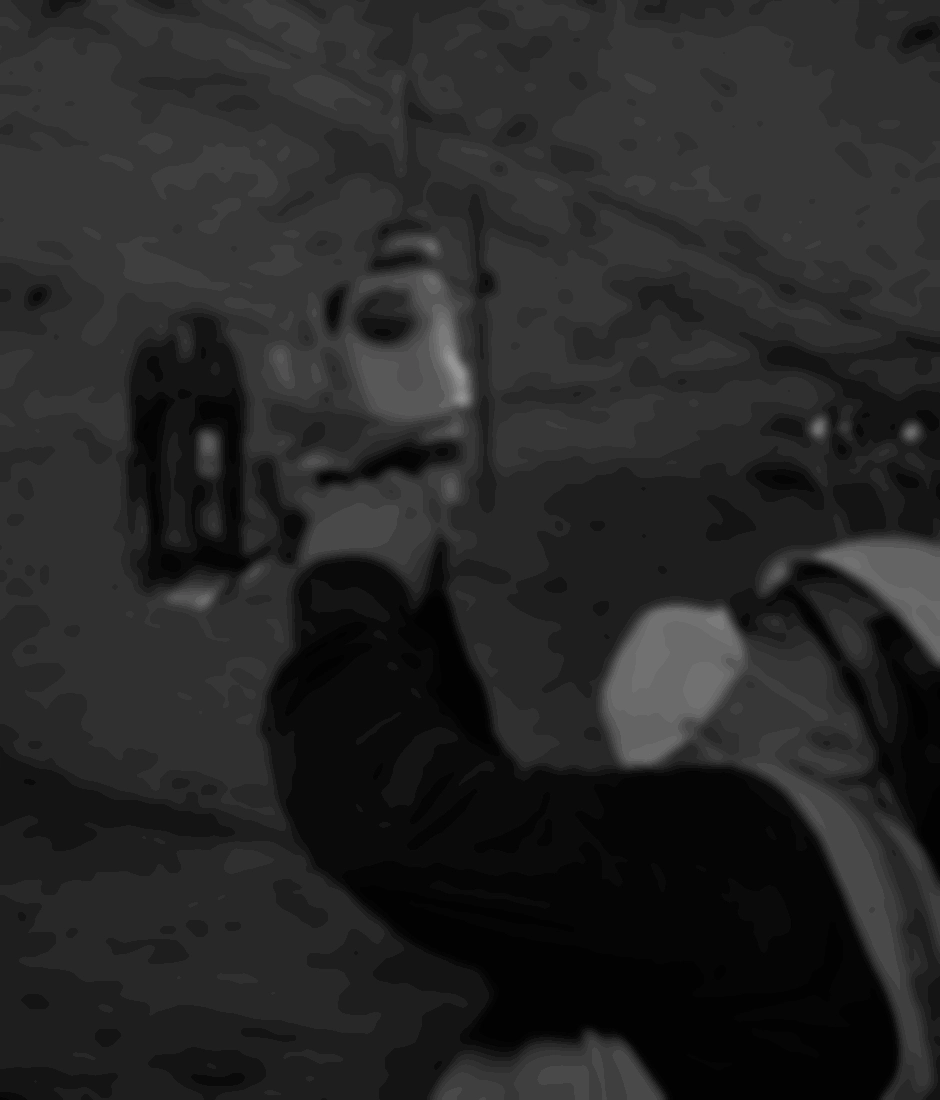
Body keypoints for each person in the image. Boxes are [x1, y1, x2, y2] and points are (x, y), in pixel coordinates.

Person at [252, 228, 940, 1099]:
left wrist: (351, 583)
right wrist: (409, 580)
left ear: (866, 719)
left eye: (773, 625)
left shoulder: (781, 864)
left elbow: (402, 823)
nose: (726, 636)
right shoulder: (864, 926)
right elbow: (501, 850)